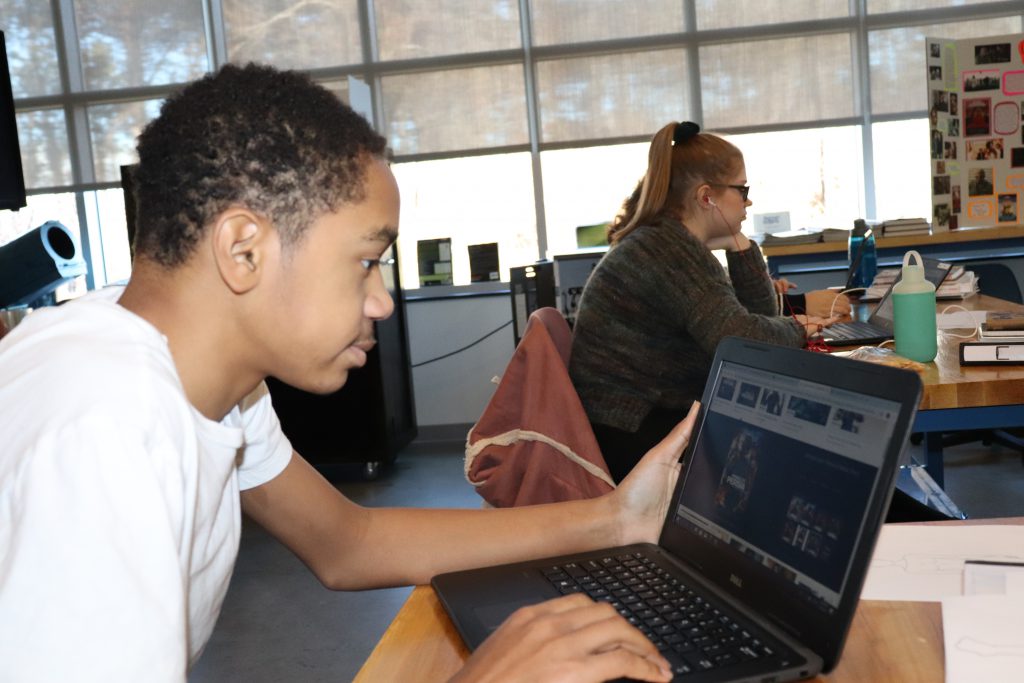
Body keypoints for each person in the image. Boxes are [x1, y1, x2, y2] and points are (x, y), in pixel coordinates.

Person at [0, 63, 699, 683]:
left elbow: (347, 543)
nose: (383, 300)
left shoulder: (204, 378)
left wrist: (614, 519)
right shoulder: (104, 427)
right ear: (243, 249)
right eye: (368, 260)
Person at [569, 121, 842, 483]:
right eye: (742, 189)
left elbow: (756, 317)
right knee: (799, 465)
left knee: (796, 455)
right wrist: (800, 326)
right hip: (635, 435)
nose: (748, 200)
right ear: (706, 197)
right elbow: (742, 340)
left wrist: (739, 243)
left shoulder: (669, 243)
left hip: (642, 422)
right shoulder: (667, 251)